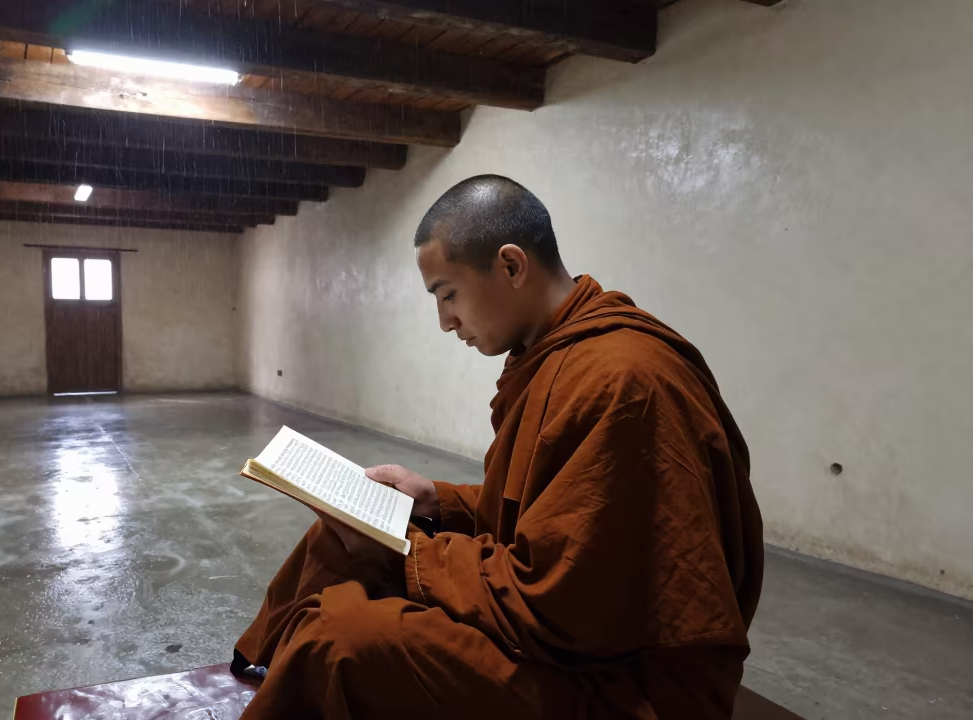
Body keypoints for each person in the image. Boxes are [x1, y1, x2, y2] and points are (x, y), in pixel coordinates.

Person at [232, 175, 764, 719]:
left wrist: (414, 554)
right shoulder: (552, 353)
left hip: (625, 681)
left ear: (510, 266)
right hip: (568, 629)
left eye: (448, 294)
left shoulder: (623, 379)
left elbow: (565, 606)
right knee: (338, 541)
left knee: (340, 637)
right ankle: (277, 670)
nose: (445, 322)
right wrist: (436, 501)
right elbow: (547, 506)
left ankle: (305, 675)